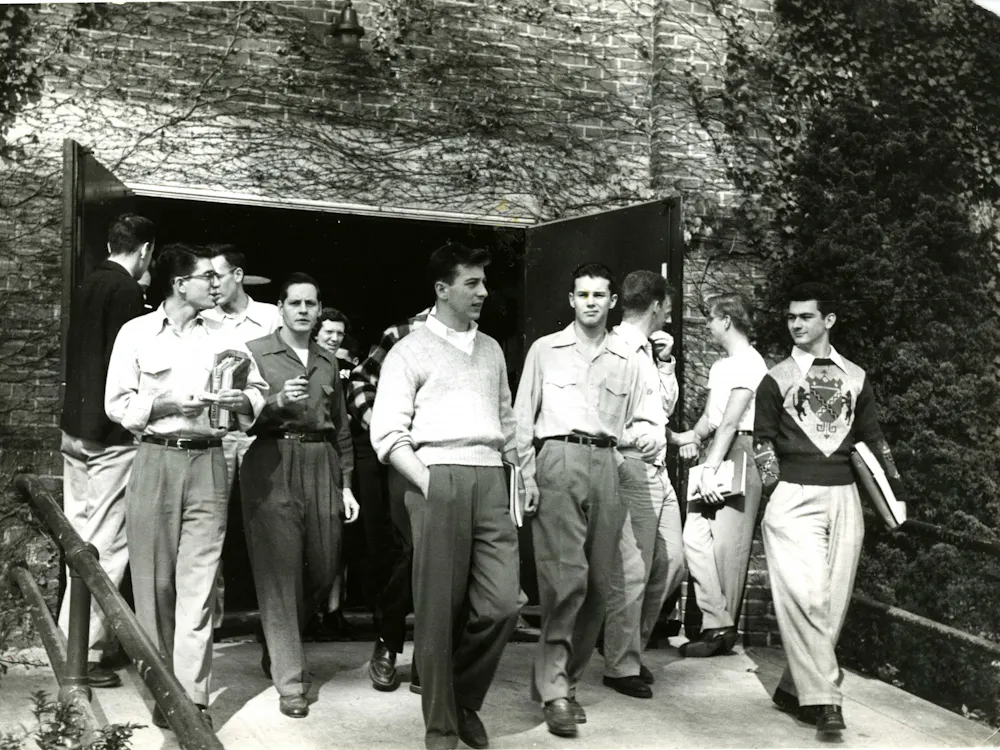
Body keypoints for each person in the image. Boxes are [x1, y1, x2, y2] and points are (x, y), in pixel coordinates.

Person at [105, 243, 268, 729]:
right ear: (180, 284)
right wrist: (165, 404)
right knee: (155, 582)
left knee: (199, 582)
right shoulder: (136, 333)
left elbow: (257, 391)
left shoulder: (226, 336)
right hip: (156, 459)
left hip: (209, 462)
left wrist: (243, 401)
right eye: (206, 277)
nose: (216, 285)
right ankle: (164, 687)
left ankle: (192, 699)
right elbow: (116, 403)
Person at [370, 241, 521, 750]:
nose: (483, 291)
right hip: (437, 478)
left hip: (491, 479)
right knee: (436, 613)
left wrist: (521, 473)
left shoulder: (492, 349)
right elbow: (388, 433)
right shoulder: (408, 350)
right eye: (471, 283)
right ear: (442, 289)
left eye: (484, 282)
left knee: (503, 605)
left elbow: (506, 421)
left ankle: (463, 698)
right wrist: (429, 481)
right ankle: (441, 728)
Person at [513, 262, 663, 738]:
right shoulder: (545, 350)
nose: (591, 302)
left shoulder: (628, 359)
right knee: (565, 581)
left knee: (599, 585)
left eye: (600, 294)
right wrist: (526, 476)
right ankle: (555, 690)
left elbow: (644, 417)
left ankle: (567, 681)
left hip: (608, 465)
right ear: (571, 300)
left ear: (613, 302)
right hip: (558, 460)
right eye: (583, 294)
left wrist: (640, 439)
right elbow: (521, 418)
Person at [754, 282, 904, 735]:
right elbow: (761, 442)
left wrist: (895, 493)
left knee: (832, 603)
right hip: (793, 497)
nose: (796, 325)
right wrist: (775, 492)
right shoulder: (776, 378)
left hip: (844, 498)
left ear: (828, 320)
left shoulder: (856, 377)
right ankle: (826, 702)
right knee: (810, 597)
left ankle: (792, 688)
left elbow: (873, 439)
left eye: (806, 317)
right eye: (791, 318)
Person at [242, 274, 360, 718]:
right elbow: (236, 419)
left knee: (325, 566)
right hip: (273, 461)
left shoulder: (328, 361)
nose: (304, 310)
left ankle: (277, 639)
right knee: (280, 571)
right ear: (281, 308)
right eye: (295, 303)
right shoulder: (255, 353)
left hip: (321, 461)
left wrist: (346, 484)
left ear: (319, 309)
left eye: (311, 303)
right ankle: (291, 681)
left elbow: (342, 428)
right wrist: (273, 402)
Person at [59, 213, 156, 688]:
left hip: (75, 430)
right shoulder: (127, 292)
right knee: (107, 545)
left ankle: (70, 639)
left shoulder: (89, 282)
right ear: (146, 250)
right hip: (110, 436)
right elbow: (124, 368)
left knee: (78, 535)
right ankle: (85, 649)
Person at [602, 271, 690, 699]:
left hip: (659, 470)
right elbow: (603, 418)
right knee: (632, 570)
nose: (669, 316)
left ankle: (627, 648)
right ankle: (620, 665)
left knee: (672, 561)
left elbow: (663, 408)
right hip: (634, 467)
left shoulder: (647, 351)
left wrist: (666, 364)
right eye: (667, 309)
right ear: (655, 306)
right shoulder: (616, 349)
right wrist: (635, 441)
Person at [671, 293, 768, 657]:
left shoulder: (751, 363)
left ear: (727, 320)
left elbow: (730, 422)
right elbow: (710, 420)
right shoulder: (720, 367)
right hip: (718, 449)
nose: (708, 326)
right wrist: (684, 437)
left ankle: (718, 634)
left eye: (711, 319)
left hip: (741, 450)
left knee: (728, 547)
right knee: (694, 536)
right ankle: (720, 622)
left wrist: (709, 468)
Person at [348, 304, 432, 693]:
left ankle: (429, 656)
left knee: (443, 557)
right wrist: (383, 428)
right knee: (408, 550)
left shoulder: (477, 341)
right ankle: (388, 642)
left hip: (455, 459)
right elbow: (361, 382)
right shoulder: (403, 333)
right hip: (406, 458)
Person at [202, 245, 281, 627]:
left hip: (257, 436)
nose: (211, 285)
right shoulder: (202, 319)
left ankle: (273, 627)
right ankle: (210, 623)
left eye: (217, 276)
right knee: (209, 527)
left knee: (268, 528)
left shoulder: (270, 318)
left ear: (237, 275)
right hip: (213, 435)